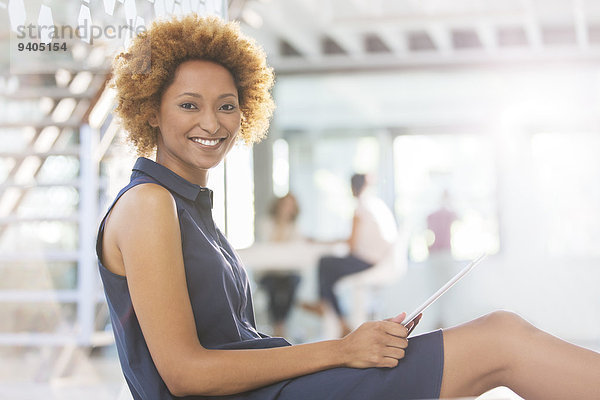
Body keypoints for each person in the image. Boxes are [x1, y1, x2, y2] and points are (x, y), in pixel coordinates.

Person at [97, 13, 600, 400]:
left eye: (226, 105)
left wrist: (345, 353)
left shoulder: (187, 206)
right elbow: (183, 375)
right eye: (189, 104)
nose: (212, 122)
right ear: (151, 110)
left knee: (494, 342)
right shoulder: (149, 204)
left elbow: (232, 345)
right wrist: (340, 350)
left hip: (269, 386)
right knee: (501, 339)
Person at [302, 173, 398, 336]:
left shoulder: (361, 206)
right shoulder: (376, 205)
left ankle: (325, 304)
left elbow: (351, 244)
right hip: (382, 260)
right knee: (329, 274)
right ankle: (339, 319)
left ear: (352, 188)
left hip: (369, 261)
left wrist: (322, 241)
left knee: (324, 263)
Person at [256, 193, 302, 337]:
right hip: (268, 272)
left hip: (287, 272)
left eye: (291, 206)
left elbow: (294, 251)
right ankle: (277, 326)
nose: (287, 209)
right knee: (273, 288)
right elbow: (270, 246)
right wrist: (281, 224)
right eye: (285, 205)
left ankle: (280, 324)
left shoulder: (295, 227)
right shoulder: (266, 223)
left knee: (292, 285)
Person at [426, 189, 458, 327]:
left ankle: (441, 321)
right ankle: (444, 323)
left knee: (436, 291)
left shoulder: (431, 215)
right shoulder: (450, 214)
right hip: (444, 254)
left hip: (435, 255)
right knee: (446, 292)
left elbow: (427, 236)